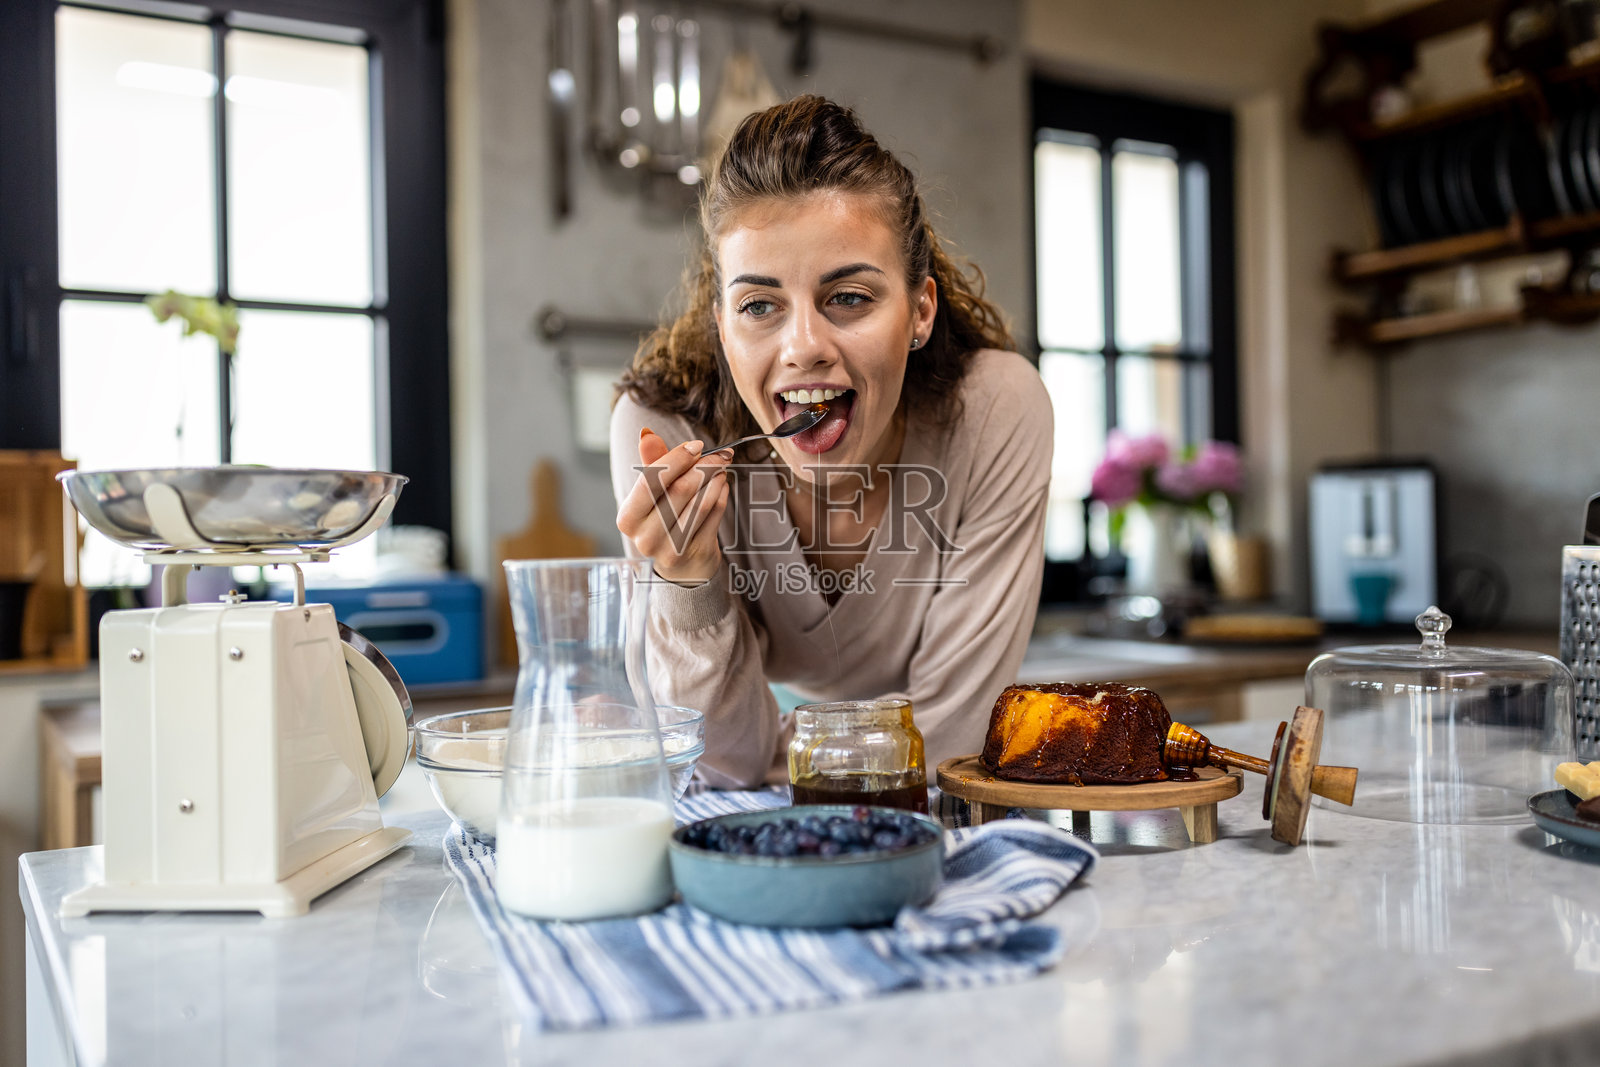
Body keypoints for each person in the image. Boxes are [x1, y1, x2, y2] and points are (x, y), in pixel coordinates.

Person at [610, 95, 1052, 789]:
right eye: (759, 306)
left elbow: (952, 740)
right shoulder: (666, 432)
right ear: (724, 327)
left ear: (920, 311)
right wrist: (687, 583)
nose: (804, 347)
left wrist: (774, 750)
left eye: (848, 297)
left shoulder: (996, 410)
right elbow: (716, 759)